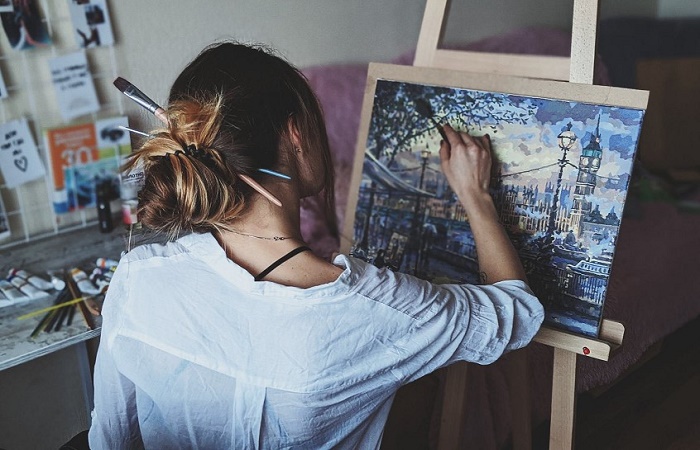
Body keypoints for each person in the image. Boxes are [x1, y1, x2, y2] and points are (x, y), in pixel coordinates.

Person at [88, 42, 544, 449]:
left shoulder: (139, 276)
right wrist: (477, 196)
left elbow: (110, 437)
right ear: (296, 134)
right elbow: (516, 313)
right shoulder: (369, 306)